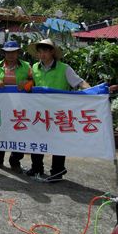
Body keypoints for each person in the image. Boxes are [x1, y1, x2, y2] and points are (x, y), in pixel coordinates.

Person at [26, 38, 91, 182]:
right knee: (36, 141)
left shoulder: (64, 68)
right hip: (40, 113)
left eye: (45, 51)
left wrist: (92, 92)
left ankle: (57, 172)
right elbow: (30, 83)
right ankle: (36, 167)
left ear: (52, 52)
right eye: (40, 51)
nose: (42, 54)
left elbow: (79, 82)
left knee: (58, 143)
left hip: (59, 112)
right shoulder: (35, 68)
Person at [0, 40, 33, 173]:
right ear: (3, 53)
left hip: (20, 105)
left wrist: (26, 83)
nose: (11, 55)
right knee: (0, 131)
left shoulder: (26, 66)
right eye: (8, 52)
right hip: (1, 104)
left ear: (18, 53)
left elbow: (33, 81)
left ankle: (15, 161)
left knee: (18, 131)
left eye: (13, 52)